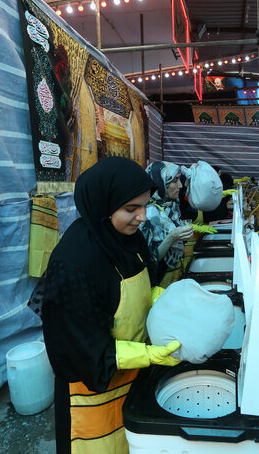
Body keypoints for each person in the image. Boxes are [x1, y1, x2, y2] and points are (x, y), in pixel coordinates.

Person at [33, 157, 181, 454]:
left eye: (145, 205)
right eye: (131, 209)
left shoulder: (130, 239)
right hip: (92, 395)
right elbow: (79, 351)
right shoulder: (75, 261)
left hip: (132, 380)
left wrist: (157, 298)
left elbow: (142, 284)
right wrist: (148, 354)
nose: (142, 217)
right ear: (103, 205)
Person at [141, 161, 195, 287]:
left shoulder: (170, 206)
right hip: (161, 283)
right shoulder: (149, 214)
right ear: (160, 183)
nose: (180, 185)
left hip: (176, 277)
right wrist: (172, 237)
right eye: (175, 180)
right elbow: (149, 260)